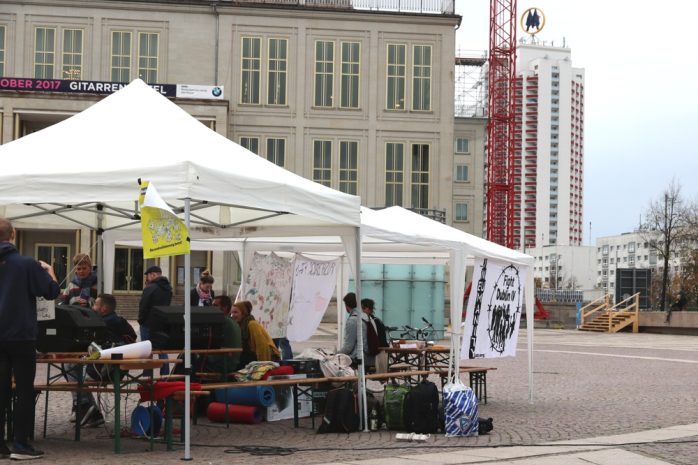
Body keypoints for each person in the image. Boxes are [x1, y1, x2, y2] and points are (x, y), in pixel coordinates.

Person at [0, 217, 60, 460]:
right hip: (20, 334)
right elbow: (51, 292)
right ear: (13, 234)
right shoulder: (26, 264)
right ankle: (20, 444)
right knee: (24, 389)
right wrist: (51, 272)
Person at [65, 294, 137, 427]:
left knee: (69, 366)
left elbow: (92, 348)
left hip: (103, 370)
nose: (93, 307)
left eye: (95, 305)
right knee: (74, 369)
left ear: (104, 308)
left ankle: (85, 407)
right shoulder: (121, 322)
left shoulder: (101, 325)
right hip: (120, 370)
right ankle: (89, 410)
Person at [138, 265, 172, 374]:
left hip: (148, 323)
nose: (147, 278)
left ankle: (148, 375)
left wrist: (141, 320)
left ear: (152, 274)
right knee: (162, 350)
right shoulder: (168, 289)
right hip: (162, 323)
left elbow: (143, 306)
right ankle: (165, 374)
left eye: (147, 276)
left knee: (147, 350)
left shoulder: (150, 287)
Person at [231, 300, 280, 365]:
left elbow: (262, 346)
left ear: (243, 313)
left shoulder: (252, 324)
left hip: (265, 357)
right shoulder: (239, 325)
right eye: (232, 313)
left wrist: (262, 366)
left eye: (235, 312)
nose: (232, 315)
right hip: (252, 356)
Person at [206, 295, 242, 375]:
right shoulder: (232, 321)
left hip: (224, 364)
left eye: (215, 306)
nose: (212, 308)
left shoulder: (223, 321)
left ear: (224, 308)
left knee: (190, 359)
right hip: (231, 362)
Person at [338, 292, 372, 368]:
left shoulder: (353, 320)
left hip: (358, 358)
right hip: (370, 357)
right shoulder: (365, 316)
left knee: (336, 366)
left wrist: (336, 354)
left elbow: (348, 347)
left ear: (346, 305)